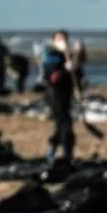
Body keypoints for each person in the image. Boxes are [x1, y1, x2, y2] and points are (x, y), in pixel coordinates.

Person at [42, 32, 83, 165]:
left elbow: (77, 76)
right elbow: (52, 76)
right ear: (54, 41)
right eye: (59, 39)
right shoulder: (52, 55)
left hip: (66, 93)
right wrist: (64, 70)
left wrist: (76, 65)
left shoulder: (69, 55)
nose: (62, 41)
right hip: (54, 94)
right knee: (65, 124)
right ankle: (66, 154)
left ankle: (54, 151)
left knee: (61, 125)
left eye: (64, 39)